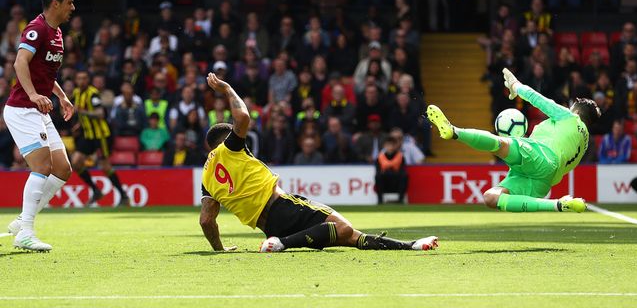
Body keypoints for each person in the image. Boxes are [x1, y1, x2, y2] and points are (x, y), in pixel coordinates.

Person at [199, 73, 438, 252]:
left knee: (350, 237)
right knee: (343, 228)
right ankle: (281, 244)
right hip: (283, 207)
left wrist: (219, 249)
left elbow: (206, 221)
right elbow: (242, 117)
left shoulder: (207, 178)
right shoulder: (229, 148)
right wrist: (228, 88)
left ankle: (412, 245)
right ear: (226, 138)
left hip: (269, 225)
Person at [426, 68, 599, 213]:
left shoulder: (569, 117)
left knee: (501, 144)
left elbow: (539, 100)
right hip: (543, 180)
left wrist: (516, 86)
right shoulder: (584, 142)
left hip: (542, 158)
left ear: (576, 111)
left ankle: (454, 131)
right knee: (491, 197)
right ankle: (559, 204)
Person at [4, 0, 76, 251]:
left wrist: (60, 95)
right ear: (55, 3)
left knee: (62, 169)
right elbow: (20, 62)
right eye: (69, 1)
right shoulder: (37, 29)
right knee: (42, 167)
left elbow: (44, 72)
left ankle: (23, 219)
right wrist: (34, 95)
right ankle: (26, 232)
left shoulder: (56, 32)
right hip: (23, 109)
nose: (73, 7)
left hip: (39, 109)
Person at [70, 70, 129, 206]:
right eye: (79, 78)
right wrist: (79, 124)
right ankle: (95, 190)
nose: (82, 81)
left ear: (88, 80)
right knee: (76, 162)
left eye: (84, 78)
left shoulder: (93, 94)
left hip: (101, 135)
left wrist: (82, 112)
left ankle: (123, 195)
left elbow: (100, 113)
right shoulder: (77, 93)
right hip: (88, 134)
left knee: (105, 166)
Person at [374, 136, 408, 204]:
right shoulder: (379, 157)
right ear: (384, 146)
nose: (391, 147)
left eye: (392, 145)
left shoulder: (401, 157)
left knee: (404, 175)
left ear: (396, 146)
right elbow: (378, 171)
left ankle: (400, 200)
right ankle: (380, 200)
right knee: (378, 176)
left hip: (396, 183)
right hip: (384, 183)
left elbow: (402, 170)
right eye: (388, 145)